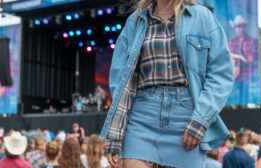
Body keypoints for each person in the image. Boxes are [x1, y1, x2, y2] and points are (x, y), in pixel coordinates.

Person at [100, 0, 234, 167]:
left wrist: (201, 120)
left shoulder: (202, 17)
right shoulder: (134, 21)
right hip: (142, 116)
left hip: (187, 117)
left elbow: (221, 73)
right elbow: (120, 81)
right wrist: (115, 136)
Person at [228, 15, 259, 104]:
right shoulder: (232, 42)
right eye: (237, 27)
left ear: (244, 27)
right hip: (234, 75)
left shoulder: (253, 41)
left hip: (247, 74)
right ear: (235, 28)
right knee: (233, 95)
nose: (239, 29)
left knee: (245, 96)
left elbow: (254, 57)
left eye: (240, 26)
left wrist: (244, 58)